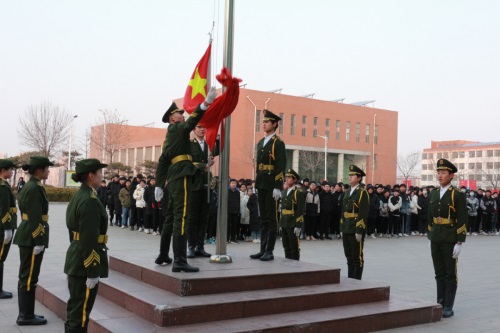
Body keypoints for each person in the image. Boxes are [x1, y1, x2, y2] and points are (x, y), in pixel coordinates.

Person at [154, 87, 216, 272]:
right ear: (172, 118)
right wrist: (205, 104)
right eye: (179, 113)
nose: (182, 115)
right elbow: (191, 123)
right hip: (181, 176)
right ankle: (180, 260)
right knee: (181, 216)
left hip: (174, 176)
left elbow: (163, 161)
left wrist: (159, 184)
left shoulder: (170, 136)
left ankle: (164, 254)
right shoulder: (178, 129)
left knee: (170, 217)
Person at [64, 159, 109, 333]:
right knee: (81, 313)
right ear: (91, 175)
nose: (101, 176)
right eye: (99, 173)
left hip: (77, 256)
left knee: (76, 308)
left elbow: (74, 232)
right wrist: (92, 270)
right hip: (85, 263)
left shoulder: (80, 195)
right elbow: (89, 237)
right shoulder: (89, 200)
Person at [13, 156, 54, 326]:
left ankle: (27, 313)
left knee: (28, 275)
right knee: (29, 276)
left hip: (29, 234)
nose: (48, 171)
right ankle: (26, 316)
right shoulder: (34, 188)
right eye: (46, 168)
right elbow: (35, 217)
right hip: (31, 236)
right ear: (39, 170)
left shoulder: (32, 186)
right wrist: (39, 239)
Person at [427, 159, 467, 318]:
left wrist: (459, 241)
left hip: (450, 237)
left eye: (443, 173)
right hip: (436, 236)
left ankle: (448, 306)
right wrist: (431, 235)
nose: (440, 175)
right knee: (439, 272)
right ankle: (440, 302)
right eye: (438, 172)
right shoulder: (434, 193)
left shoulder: (457, 194)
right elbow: (430, 216)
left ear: (451, 175)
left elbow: (463, 219)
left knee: (450, 272)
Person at [250, 110, 286, 262]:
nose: (263, 124)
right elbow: (259, 165)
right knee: (263, 218)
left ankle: (269, 251)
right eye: (263, 122)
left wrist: (278, 186)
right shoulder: (261, 142)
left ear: (275, 124)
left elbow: (281, 165)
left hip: (272, 184)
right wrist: (256, 183)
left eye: (267, 122)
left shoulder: (278, 143)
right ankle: (262, 249)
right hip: (262, 183)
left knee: (272, 219)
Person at [186, 125, 218, 258]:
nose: (203, 129)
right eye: (199, 127)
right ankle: (191, 247)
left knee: (203, 218)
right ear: (194, 130)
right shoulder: (190, 145)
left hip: (206, 186)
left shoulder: (208, 145)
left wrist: (218, 138)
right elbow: (188, 164)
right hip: (194, 185)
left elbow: (217, 151)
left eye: (204, 127)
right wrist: (203, 165)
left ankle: (200, 246)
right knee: (192, 218)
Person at [340, 165, 369, 280]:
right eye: (350, 175)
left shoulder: (362, 192)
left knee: (357, 257)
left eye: (353, 176)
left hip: (355, 227)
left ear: (359, 178)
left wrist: (359, 230)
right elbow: (343, 211)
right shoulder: (347, 192)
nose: (350, 177)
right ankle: (350, 278)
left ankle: (357, 280)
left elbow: (363, 213)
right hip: (346, 227)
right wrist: (341, 227)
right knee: (349, 256)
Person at [0, 159, 18, 299]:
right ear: (3, 171)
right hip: (2, 228)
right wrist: (7, 228)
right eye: (10, 170)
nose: (11, 172)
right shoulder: (2, 186)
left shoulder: (4, 184)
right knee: (0, 259)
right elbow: (4, 209)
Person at [279, 169, 305, 260]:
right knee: (286, 247)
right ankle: (288, 266)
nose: (287, 179)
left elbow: (300, 210)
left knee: (294, 248)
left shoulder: (298, 192)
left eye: (289, 178)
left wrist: (298, 225)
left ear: (294, 180)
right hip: (285, 222)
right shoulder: (284, 192)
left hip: (293, 222)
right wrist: (280, 223)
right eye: (286, 177)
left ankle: (295, 267)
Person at [227, 179, 241, 244]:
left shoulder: (237, 192)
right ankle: (226, 239)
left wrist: (238, 210)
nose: (234, 184)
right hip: (228, 211)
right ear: (230, 184)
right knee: (227, 225)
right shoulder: (227, 191)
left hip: (235, 211)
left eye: (235, 183)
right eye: (232, 183)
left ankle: (233, 239)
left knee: (234, 226)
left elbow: (238, 201)